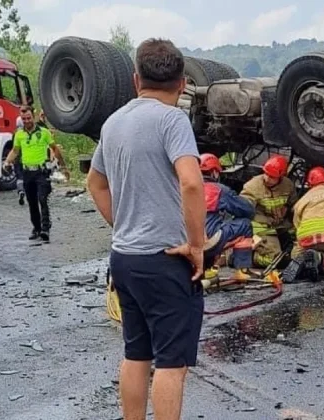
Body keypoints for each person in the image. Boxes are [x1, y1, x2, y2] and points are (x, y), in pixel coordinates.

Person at [86, 38, 206, 420]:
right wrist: (197, 244)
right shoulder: (173, 120)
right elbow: (191, 182)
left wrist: (122, 224)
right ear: (182, 83)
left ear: (136, 79)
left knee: (136, 352)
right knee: (171, 362)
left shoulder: (114, 121)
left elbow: (95, 183)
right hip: (164, 259)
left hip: (124, 259)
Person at [3, 106, 69, 243]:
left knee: (42, 198)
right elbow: (15, 151)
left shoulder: (44, 132)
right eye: (24, 119)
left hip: (41, 171)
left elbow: (54, 149)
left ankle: (45, 228)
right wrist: (7, 162)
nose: (26, 121)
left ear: (33, 117)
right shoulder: (19, 135)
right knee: (32, 202)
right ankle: (36, 228)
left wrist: (63, 167)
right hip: (27, 172)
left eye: (28, 118)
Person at [200, 153, 255, 280]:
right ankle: (242, 270)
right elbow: (246, 210)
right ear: (215, 172)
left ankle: (204, 269)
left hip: (185, 243)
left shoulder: (182, 188)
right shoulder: (219, 190)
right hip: (208, 243)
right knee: (244, 224)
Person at [239, 155, 297, 267]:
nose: (267, 179)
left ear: (281, 176)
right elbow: (243, 209)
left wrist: (287, 208)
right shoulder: (253, 186)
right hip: (262, 227)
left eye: (272, 176)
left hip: (280, 225)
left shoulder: (288, 185)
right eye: (266, 174)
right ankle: (249, 257)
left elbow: (294, 203)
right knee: (274, 258)